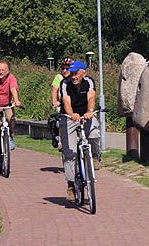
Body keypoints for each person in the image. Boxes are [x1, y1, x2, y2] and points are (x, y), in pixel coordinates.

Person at [59, 60, 100, 202]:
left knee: (94, 133)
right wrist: (71, 114)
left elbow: (91, 97)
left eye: (76, 73)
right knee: (69, 152)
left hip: (86, 114)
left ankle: (95, 156)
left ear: (84, 73)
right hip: (69, 117)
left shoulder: (89, 82)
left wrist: (89, 111)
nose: (73, 76)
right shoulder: (64, 84)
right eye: (72, 73)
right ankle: (70, 186)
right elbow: (66, 102)